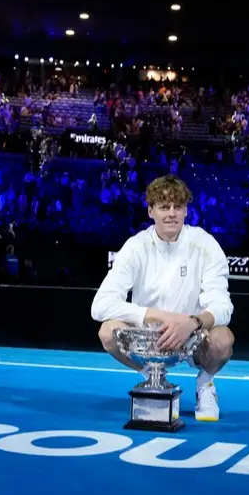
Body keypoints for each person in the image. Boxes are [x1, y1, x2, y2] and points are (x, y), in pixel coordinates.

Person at [91, 174, 235, 422]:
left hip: (191, 338)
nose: (171, 214)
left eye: (177, 207)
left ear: (186, 211)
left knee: (223, 339)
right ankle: (152, 375)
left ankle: (205, 384)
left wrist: (191, 322)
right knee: (107, 332)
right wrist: (155, 315)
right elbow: (100, 305)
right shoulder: (136, 247)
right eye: (164, 207)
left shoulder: (205, 244)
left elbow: (222, 305)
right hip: (147, 337)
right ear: (150, 211)